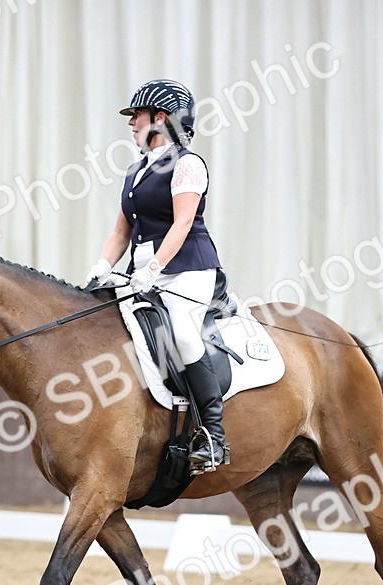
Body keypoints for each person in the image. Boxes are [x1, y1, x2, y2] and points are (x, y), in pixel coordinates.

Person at [86, 79, 229, 474]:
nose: (131, 124)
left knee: (183, 334)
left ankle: (215, 437)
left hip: (188, 271)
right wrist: (101, 269)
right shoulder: (135, 171)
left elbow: (182, 223)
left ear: (160, 118)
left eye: (136, 116)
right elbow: (121, 232)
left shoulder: (187, 164)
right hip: (142, 274)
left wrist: (152, 270)